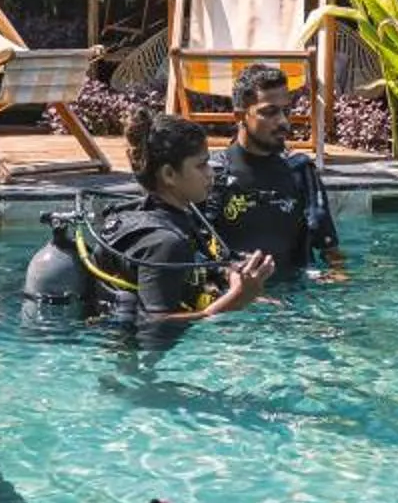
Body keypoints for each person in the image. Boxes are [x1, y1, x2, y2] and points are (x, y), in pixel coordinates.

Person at [75, 109, 276, 336]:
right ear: (169, 175)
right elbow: (155, 325)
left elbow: (196, 269)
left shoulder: (159, 214)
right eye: (201, 165)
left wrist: (231, 274)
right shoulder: (164, 242)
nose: (211, 174)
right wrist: (237, 300)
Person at [209, 63, 342, 277]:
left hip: (296, 299)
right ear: (240, 116)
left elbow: (332, 253)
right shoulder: (213, 176)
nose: (283, 122)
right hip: (237, 300)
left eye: (286, 111)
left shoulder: (299, 172)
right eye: (269, 112)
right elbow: (196, 255)